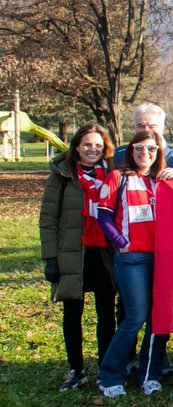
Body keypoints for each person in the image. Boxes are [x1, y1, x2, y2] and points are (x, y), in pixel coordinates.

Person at [95, 130, 173, 397]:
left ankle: (150, 374)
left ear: (158, 152)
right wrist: (120, 241)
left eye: (151, 149)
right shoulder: (118, 177)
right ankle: (110, 375)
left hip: (163, 258)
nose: (145, 153)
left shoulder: (163, 180)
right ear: (131, 150)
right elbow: (103, 216)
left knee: (158, 319)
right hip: (132, 258)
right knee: (135, 318)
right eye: (139, 148)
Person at [39, 124, 118, 391]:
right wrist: (50, 258)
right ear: (77, 147)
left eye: (98, 145)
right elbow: (48, 219)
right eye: (87, 145)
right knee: (73, 312)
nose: (92, 150)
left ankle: (106, 367)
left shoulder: (112, 174)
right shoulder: (62, 175)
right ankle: (76, 369)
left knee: (106, 312)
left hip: (103, 253)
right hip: (72, 253)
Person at [112, 103, 173, 177]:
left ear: (163, 129)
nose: (146, 130)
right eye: (140, 126)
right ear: (134, 128)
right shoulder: (118, 155)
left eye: (152, 126)